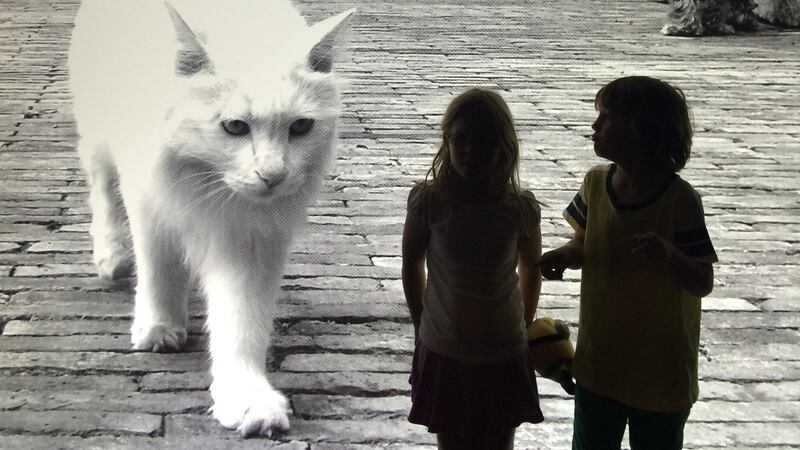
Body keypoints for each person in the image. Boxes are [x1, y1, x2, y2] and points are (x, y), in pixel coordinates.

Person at [536, 76, 718, 450]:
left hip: (661, 374)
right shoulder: (594, 183)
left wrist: (670, 255)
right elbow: (583, 241)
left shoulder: (680, 201)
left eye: (605, 117)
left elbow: (702, 280)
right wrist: (566, 255)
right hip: (599, 364)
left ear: (641, 129)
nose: (594, 126)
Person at [402, 87, 545, 450]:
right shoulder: (430, 201)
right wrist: (421, 322)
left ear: (503, 146)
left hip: (503, 348)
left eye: (484, 141)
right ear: (446, 140)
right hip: (444, 347)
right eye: (461, 139)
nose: (471, 151)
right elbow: (411, 264)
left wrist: (524, 324)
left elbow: (532, 267)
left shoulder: (519, 208)